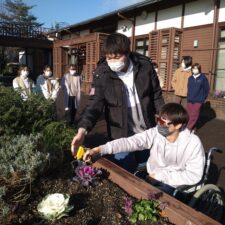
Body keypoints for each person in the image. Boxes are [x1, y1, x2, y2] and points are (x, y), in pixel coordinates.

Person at [71, 33, 165, 173]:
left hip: (146, 129)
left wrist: (165, 118)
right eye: (109, 57)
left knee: (148, 166)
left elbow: (156, 95)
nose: (113, 61)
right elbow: (94, 103)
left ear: (127, 53)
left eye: (117, 57)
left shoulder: (145, 67)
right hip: (119, 133)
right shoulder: (101, 73)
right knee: (124, 170)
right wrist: (82, 130)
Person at [83, 103, 205, 195]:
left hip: (175, 183)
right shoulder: (155, 133)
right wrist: (100, 149)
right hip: (152, 176)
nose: (159, 125)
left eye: (163, 122)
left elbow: (193, 175)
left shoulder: (192, 143)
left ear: (178, 125)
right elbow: (131, 142)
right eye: (158, 120)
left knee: (150, 199)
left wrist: (161, 176)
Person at [186, 63, 209, 131]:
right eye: (193, 68)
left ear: (199, 69)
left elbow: (206, 88)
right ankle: (193, 127)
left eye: (196, 68)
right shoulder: (190, 78)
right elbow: (188, 88)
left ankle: (188, 129)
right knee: (188, 114)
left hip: (198, 100)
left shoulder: (203, 78)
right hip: (190, 99)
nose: (194, 70)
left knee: (194, 115)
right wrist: (188, 96)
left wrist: (203, 97)